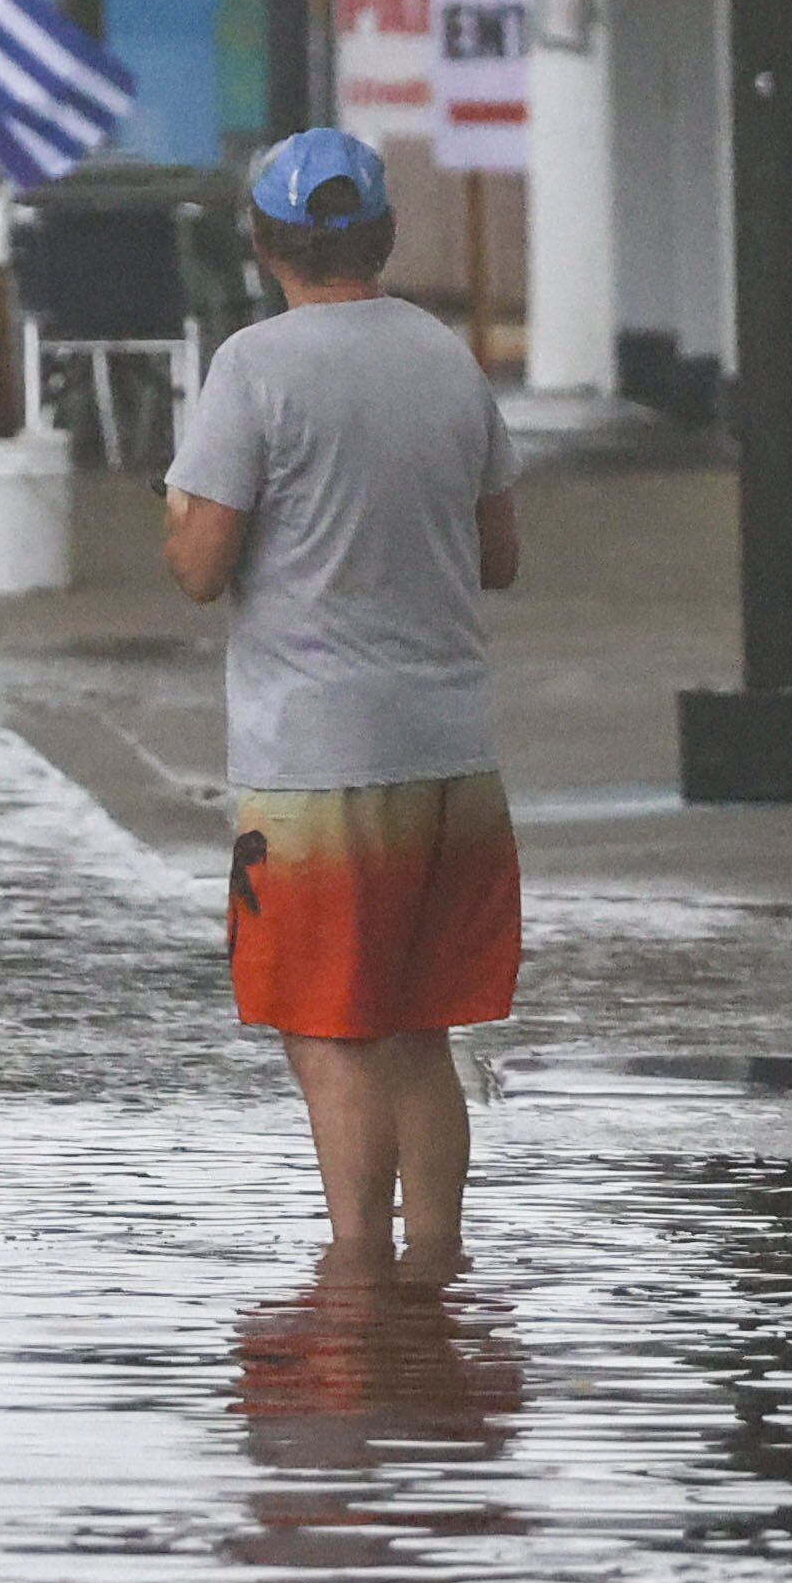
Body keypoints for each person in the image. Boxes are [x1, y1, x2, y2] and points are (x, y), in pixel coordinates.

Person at [161, 128, 526, 1284]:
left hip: (318, 761)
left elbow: (200, 565)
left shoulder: (254, 370)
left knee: (330, 1035)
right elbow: (499, 555)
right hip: (452, 755)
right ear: (382, 235)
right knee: (423, 1031)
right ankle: (437, 1274)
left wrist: (181, 513)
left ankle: (357, 1287)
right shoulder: (445, 357)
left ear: (265, 243)